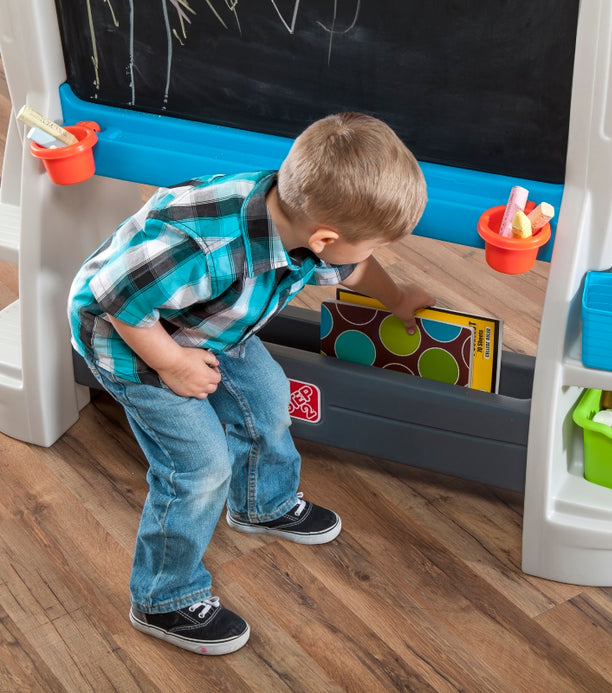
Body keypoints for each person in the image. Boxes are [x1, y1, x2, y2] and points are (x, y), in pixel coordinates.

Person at [68, 112, 433, 655]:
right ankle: (162, 598)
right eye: (370, 245)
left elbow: (353, 267)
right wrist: (173, 364)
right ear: (325, 237)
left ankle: (262, 502)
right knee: (200, 468)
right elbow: (118, 299)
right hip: (129, 338)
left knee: (269, 401)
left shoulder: (301, 218)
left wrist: (397, 297)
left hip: (211, 319)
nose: (367, 255)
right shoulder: (205, 245)